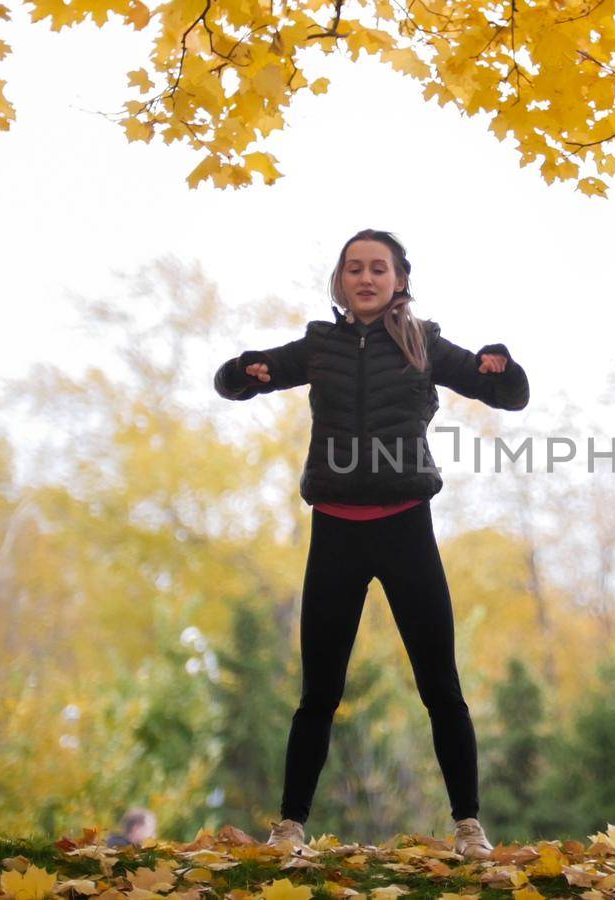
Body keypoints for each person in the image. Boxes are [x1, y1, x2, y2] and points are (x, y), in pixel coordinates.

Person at [213, 229, 529, 858]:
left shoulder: (423, 344)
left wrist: (500, 365)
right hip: (335, 529)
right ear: (340, 281)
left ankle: (469, 826)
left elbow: (508, 395)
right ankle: (289, 827)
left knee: (440, 685)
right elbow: (234, 382)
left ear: (399, 281)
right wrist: (243, 371)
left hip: (405, 525)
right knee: (319, 693)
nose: (365, 277)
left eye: (377, 268)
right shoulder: (319, 346)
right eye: (354, 268)